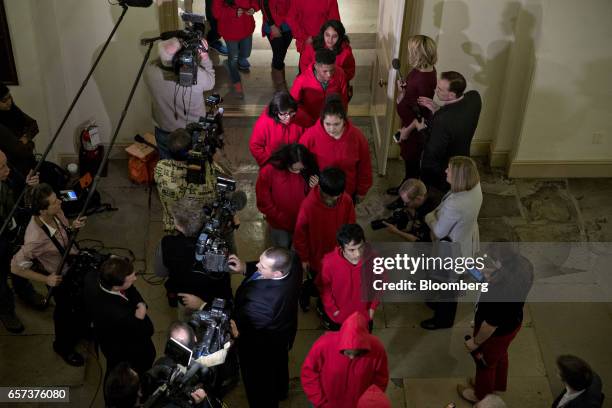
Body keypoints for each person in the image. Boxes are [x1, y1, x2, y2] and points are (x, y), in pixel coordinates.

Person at [10, 183, 87, 365]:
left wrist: (72, 227)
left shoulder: (56, 213)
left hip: (72, 265)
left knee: (79, 303)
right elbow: (15, 267)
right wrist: (47, 279)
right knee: (64, 313)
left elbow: (63, 232)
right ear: (42, 211)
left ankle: (80, 329)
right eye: (54, 202)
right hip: (58, 277)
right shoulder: (34, 239)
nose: (60, 202)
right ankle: (62, 346)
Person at [457, 242, 534, 403]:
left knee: (484, 363)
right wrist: (482, 273)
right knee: (500, 355)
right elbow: (495, 278)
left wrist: (475, 342)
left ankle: (481, 395)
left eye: (493, 259)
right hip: (512, 325)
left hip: (495, 333)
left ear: (501, 261)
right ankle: (497, 384)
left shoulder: (499, 291)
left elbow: (490, 325)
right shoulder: (523, 265)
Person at [229, 247, 302, 408]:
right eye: (259, 261)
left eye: (262, 266)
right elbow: (266, 265)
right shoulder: (293, 263)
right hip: (283, 334)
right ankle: (281, 390)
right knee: (280, 364)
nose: (257, 267)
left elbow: (246, 331)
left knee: (260, 386)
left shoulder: (260, 304)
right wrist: (244, 268)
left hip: (259, 348)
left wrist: (235, 331)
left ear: (277, 274)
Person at [422, 156, 482, 330]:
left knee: (448, 285)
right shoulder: (475, 187)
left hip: (451, 248)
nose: (445, 171)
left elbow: (440, 231)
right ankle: (438, 304)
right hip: (466, 238)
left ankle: (443, 320)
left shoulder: (456, 204)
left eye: (449, 169)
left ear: (460, 177)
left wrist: (429, 217)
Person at [293, 167, 356, 312]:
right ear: (320, 187)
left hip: (338, 255)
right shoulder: (308, 205)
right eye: (329, 197)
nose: (332, 201)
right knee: (317, 282)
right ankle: (306, 291)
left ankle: (324, 303)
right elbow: (300, 235)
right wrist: (304, 258)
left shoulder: (346, 200)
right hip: (317, 256)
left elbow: (351, 225)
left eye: (336, 197)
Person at [154, 198, 232, 313]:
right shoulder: (218, 244)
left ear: (179, 226)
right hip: (212, 299)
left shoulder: (166, 243)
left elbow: (160, 273)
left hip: (185, 298)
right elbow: (226, 274)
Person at [143, 37, 215, 160]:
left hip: (164, 129)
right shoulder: (196, 75)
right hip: (192, 130)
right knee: (195, 164)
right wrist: (204, 57)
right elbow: (211, 82)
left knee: (167, 165)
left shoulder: (149, 71)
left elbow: (160, 62)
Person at [85, 256, 156, 378]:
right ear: (116, 286)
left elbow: (130, 289)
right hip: (127, 352)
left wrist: (140, 303)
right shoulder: (121, 315)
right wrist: (140, 317)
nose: (135, 278)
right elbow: (148, 330)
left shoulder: (94, 277)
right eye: (131, 278)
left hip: (107, 336)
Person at [387, 35, 437, 203]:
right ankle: (405, 187)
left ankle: (407, 198)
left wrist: (406, 131)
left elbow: (421, 116)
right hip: (408, 124)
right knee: (409, 162)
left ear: (418, 54)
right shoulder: (422, 70)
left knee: (412, 165)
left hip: (414, 130)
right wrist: (403, 89)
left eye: (411, 51)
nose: (409, 53)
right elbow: (411, 96)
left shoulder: (424, 80)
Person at [301, 312, 389, 408]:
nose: (352, 357)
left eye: (358, 354)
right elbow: (308, 373)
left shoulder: (377, 348)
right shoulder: (323, 345)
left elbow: (381, 378)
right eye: (347, 353)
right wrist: (320, 401)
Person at [415, 71, 482, 194]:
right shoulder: (474, 98)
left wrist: (421, 129)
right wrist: (438, 109)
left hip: (446, 170)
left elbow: (432, 151)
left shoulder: (442, 121)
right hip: (463, 156)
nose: (435, 90)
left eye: (440, 89)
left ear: (451, 95)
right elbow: (457, 117)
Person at [0, 150, 43, 333]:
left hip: (13, 232)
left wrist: (30, 185)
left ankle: (24, 289)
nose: (7, 169)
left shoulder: (8, 173)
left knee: (20, 262)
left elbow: (22, 187)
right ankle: (5, 310)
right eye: (1, 167)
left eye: (6, 163)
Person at [300, 96, 372, 202]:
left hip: (347, 192)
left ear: (344, 120)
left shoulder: (357, 137)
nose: (332, 129)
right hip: (320, 191)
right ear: (322, 120)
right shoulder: (310, 136)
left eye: (336, 124)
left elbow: (364, 167)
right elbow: (301, 162)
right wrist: (309, 178)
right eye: (327, 124)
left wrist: (362, 191)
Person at [154, 128, 217, 233]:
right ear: (191, 150)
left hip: (173, 225)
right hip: (198, 225)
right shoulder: (205, 170)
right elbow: (213, 194)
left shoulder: (160, 167)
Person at [256, 143, 319, 248]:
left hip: (301, 223)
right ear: (286, 162)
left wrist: (314, 188)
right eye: (294, 169)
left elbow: (314, 201)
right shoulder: (269, 171)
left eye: (301, 169)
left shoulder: (308, 169)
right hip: (279, 224)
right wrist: (281, 218)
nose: (298, 172)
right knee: (281, 250)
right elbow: (264, 201)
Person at [317, 224, 379, 331]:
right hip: (339, 318)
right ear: (341, 247)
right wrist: (333, 310)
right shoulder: (328, 263)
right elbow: (324, 288)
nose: (358, 253)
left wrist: (373, 307)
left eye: (361, 247)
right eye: (352, 250)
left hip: (364, 316)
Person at [212, 0, 259, 99]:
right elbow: (216, 13)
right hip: (229, 30)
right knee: (233, 59)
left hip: (246, 28)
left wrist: (253, 8)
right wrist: (232, 12)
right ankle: (236, 82)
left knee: (246, 53)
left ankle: (233, 61)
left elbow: (255, 2)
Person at [290, 49, 348, 127]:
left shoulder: (340, 74)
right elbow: (293, 104)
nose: (329, 75)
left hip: (332, 122)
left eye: (332, 70)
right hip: (310, 122)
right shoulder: (301, 80)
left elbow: (344, 99)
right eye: (325, 71)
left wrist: (342, 117)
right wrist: (306, 119)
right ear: (316, 66)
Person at [249, 91, 305, 166]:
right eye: (284, 114)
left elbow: (308, 137)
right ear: (275, 112)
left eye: (291, 112)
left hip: (297, 162)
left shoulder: (300, 115)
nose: (288, 117)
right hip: (274, 164)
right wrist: (269, 164)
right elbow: (255, 146)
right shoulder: (264, 123)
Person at [299, 20, 355, 84]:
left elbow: (350, 71)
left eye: (334, 36)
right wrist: (314, 79)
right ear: (323, 34)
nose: (330, 40)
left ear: (340, 37)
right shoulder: (312, 47)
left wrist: (336, 79)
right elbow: (304, 66)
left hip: (336, 85)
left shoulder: (346, 52)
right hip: (313, 83)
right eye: (327, 35)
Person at [260, 0, 293, 91]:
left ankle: (275, 68)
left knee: (281, 52)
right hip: (272, 24)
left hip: (290, 23)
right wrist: (272, 26)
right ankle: (280, 83)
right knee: (279, 54)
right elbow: (263, 3)